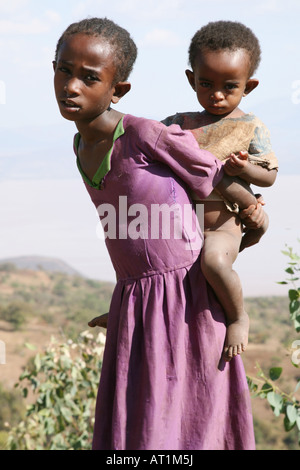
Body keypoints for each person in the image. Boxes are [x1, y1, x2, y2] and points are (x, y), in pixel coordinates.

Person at [53, 17, 264, 450]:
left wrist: (250, 207)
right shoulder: (80, 147)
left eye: (90, 77)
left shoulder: (145, 134)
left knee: (189, 427)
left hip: (191, 301)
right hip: (139, 305)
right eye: (64, 70)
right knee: (142, 430)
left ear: (118, 90)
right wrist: (129, 304)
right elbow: (127, 227)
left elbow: (209, 171)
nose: (71, 86)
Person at [162, 21, 278, 361]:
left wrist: (244, 169)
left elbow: (269, 176)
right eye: (205, 84)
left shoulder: (250, 127)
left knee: (213, 263)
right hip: (181, 226)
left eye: (230, 86)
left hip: (222, 226)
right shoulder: (178, 125)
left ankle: (238, 316)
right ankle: (126, 312)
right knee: (141, 254)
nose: (216, 94)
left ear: (249, 86)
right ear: (191, 80)